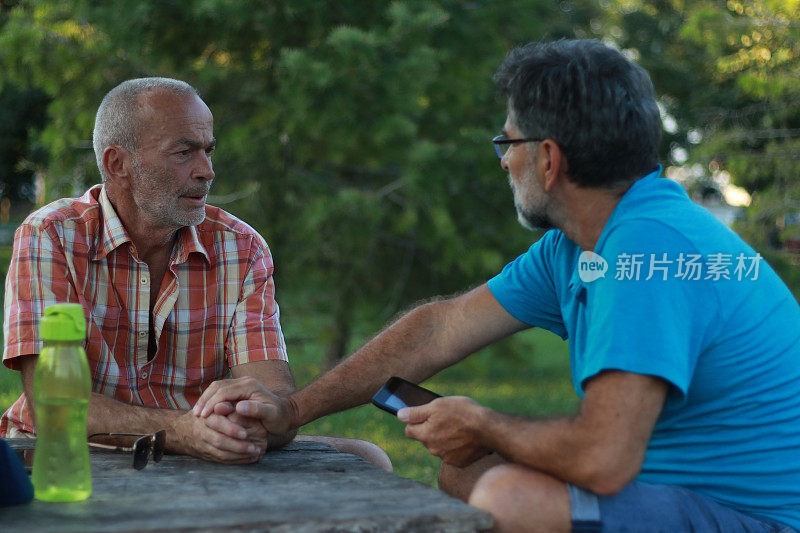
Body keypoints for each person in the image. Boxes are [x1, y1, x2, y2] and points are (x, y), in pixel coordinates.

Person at [193, 40, 800, 532]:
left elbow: (602, 459)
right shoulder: (583, 243)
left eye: (507, 143)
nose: (504, 161)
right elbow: (441, 326)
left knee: (508, 497)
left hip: (751, 516)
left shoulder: (645, 253)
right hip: (666, 486)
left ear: (548, 160)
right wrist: (294, 409)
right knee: (468, 474)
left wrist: (486, 424)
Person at [1, 77, 390, 470]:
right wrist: (179, 431)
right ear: (118, 164)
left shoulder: (241, 247)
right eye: (184, 152)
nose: (207, 171)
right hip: (69, 452)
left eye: (209, 150)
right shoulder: (51, 235)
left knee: (369, 459)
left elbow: (277, 400)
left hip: (201, 449)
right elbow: (56, 407)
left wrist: (256, 421)